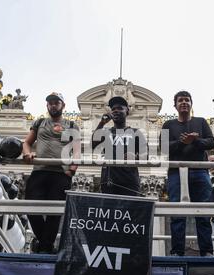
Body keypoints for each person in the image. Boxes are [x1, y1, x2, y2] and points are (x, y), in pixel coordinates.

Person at [22, 92, 79, 254]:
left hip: (61, 174)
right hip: (39, 171)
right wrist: (27, 153)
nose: (53, 105)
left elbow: (76, 150)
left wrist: (72, 170)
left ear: (63, 105)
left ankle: (44, 248)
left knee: (56, 212)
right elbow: (26, 143)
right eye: (51, 103)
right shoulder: (40, 122)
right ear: (47, 105)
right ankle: (46, 244)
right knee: (31, 207)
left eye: (56, 102)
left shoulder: (72, 126)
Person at [162, 91, 214, 257]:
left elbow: (211, 142)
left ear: (191, 103)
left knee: (203, 212)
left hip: (200, 171)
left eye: (187, 100)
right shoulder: (168, 125)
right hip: (176, 173)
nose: (184, 102)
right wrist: (181, 142)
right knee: (177, 212)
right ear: (175, 105)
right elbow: (163, 148)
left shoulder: (201, 122)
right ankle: (177, 251)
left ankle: (206, 251)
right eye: (180, 100)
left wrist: (195, 141)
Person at [92, 96, 147, 196]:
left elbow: (146, 155)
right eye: (113, 109)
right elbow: (93, 144)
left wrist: (136, 157)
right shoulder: (105, 132)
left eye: (120, 108)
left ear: (127, 111)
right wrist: (101, 123)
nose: (116, 111)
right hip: (108, 183)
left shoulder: (136, 132)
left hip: (130, 183)